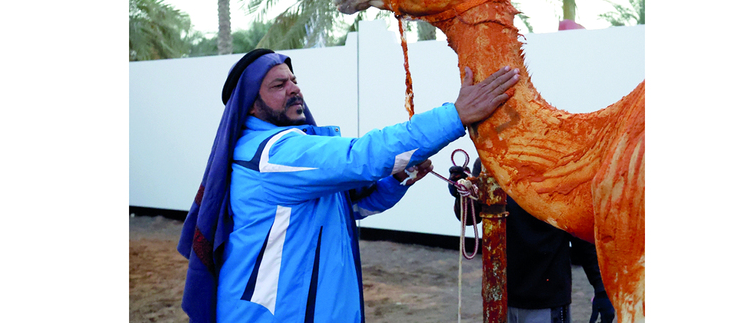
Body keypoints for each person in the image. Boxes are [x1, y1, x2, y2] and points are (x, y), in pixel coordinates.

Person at [177, 48, 520, 323]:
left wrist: (398, 180)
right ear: (251, 103)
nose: (295, 89)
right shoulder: (274, 152)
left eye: (294, 81)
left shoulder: (278, 153)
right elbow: (363, 157)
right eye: (279, 85)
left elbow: (345, 208)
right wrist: (456, 115)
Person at [450, 159, 615, 323]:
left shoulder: (558, 161)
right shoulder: (489, 160)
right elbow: (470, 217)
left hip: (546, 297)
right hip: (500, 295)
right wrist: (462, 193)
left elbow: (579, 231)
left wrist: (601, 288)